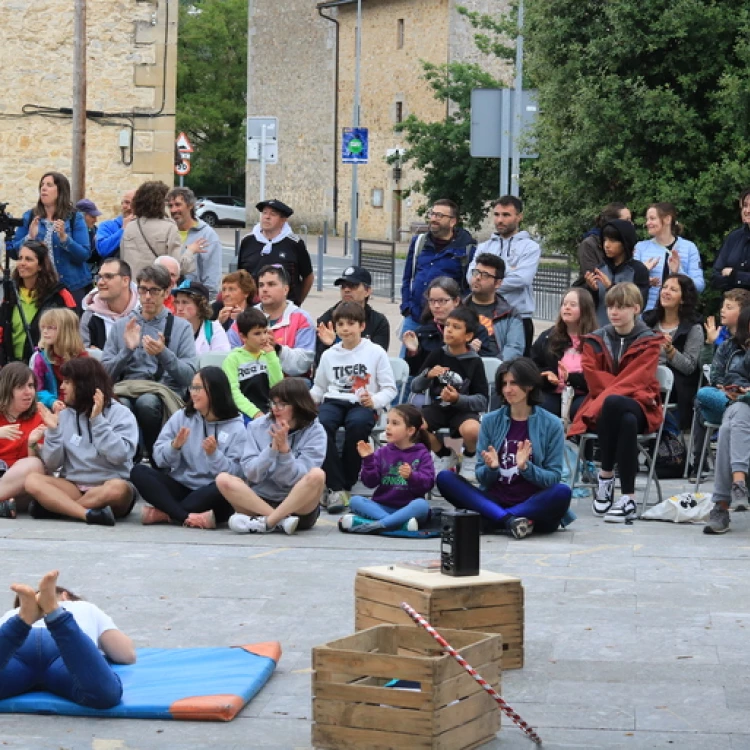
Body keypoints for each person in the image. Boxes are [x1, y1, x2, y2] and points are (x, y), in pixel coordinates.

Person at [435, 358, 572, 539]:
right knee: (445, 478)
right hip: (495, 498)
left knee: (562, 492)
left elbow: (553, 477)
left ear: (529, 385)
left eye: (514, 383)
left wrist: (526, 468)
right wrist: (492, 468)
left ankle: (493, 518)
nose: (507, 389)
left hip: (533, 503)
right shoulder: (490, 421)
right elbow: (480, 475)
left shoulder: (551, 424)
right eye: (504, 383)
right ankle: (509, 520)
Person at [568, 283, 662, 523]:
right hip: (608, 409)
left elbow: (639, 379)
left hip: (640, 404)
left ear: (636, 308)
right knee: (624, 419)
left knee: (617, 405)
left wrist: (614, 394)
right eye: (610, 306)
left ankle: (605, 476)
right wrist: (614, 394)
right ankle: (628, 498)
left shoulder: (649, 342)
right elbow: (593, 378)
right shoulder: (595, 340)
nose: (614, 312)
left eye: (621, 307)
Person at [24, 357, 139, 526]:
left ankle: (60, 508)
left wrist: (98, 421)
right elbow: (53, 464)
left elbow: (119, 456)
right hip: (74, 487)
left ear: (83, 385)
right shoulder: (64, 415)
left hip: (108, 486)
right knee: (32, 480)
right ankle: (88, 514)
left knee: (118, 489)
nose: (62, 387)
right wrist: (54, 432)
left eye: (67, 382)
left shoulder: (121, 413)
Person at [0, 570, 135, 709]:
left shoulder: (10, 614)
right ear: (65, 596)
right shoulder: (83, 607)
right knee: (106, 695)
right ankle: (56, 616)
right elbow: (125, 654)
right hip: (64, 651)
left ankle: (21, 623)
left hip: (18, 646)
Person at [131, 366, 246, 529]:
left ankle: (167, 512)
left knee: (222, 491)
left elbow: (236, 475)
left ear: (214, 391)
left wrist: (214, 455)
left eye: (198, 388)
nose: (193, 392)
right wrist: (174, 447)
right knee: (139, 472)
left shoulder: (236, 428)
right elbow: (158, 458)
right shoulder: (182, 416)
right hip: (182, 486)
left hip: (210, 492)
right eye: (192, 387)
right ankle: (185, 516)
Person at [101, 265, 197, 458]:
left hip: (163, 391)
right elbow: (103, 374)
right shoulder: (122, 325)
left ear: (167, 292)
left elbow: (189, 377)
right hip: (125, 388)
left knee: (147, 403)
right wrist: (126, 351)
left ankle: (156, 456)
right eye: (143, 290)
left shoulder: (181, 327)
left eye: (154, 291)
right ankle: (130, 458)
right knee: (122, 405)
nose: (147, 297)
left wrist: (163, 353)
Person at [310, 302, 397, 513]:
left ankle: (343, 484)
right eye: (340, 324)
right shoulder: (330, 354)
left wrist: (374, 401)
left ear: (362, 326)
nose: (345, 328)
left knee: (357, 424)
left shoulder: (375, 352)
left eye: (351, 323)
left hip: (362, 402)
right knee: (320, 425)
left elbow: (389, 389)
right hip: (333, 400)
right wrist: (304, 404)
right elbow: (319, 388)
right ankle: (336, 487)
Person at [216, 378, 327, 535]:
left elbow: (294, 479)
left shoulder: (315, 432)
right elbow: (251, 474)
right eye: (273, 403)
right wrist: (272, 449)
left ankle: (267, 522)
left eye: (282, 404)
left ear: (298, 405)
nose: (276, 409)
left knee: (317, 475)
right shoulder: (256, 426)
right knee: (223, 479)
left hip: (298, 506)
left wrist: (284, 452)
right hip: (259, 501)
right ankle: (279, 522)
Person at [410, 307, 488, 482]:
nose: (449, 330)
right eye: (447, 326)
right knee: (414, 425)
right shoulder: (437, 354)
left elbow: (482, 400)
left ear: (468, 336)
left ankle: (470, 456)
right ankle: (442, 454)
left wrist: (457, 399)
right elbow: (415, 386)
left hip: (463, 410)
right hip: (438, 407)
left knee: (472, 430)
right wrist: (427, 376)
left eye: (456, 327)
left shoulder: (474, 361)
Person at [338, 404, 433, 534]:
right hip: (382, 507)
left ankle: (375, 525)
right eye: (388, 422)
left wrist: (412, 476)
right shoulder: (382, 452)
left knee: (422, 505)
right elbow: (370, 483)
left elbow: (427, 484)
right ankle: (394, 525)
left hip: (408, 510)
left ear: (410, 431)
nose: (388, 427)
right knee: (355, 501)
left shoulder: (422, 453)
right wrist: (368, 460)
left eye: (395, 423)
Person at [466, 196, 541, 354]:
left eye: (506, 215)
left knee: (514, 369)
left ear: (519, 217)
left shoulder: (530, 247)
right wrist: (510, 270)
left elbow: (522, 279)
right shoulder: (484, 246)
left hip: (518, 317)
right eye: (497, 214)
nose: (500, 220)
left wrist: (486, 283)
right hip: (481, 315)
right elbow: (471, 277)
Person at [9, 172, 92, 307]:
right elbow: (13, 252)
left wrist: (65, 239)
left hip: (71, 286)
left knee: (69, 327)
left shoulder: (74, 218)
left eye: (49, 185)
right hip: (39, 288)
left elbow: (84, 255)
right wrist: (29, 237)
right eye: (42, 185)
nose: (43, 188)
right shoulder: (30, 216)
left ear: (60, 191)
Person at [400, 199, 476, 345]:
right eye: (432, 214)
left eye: (439, 216)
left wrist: (458, 314)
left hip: (445, 322)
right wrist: (406, 307)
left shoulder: (466, 249)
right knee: (407, 362)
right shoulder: (419, 242)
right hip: (414, 317)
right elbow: (407, 277)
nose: (434, 219)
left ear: (453, 221)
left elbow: (468, 287)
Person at [0, 240, 77, 364]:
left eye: (29, 259)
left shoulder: (59, 294)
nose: (22, 263)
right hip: (11, 366)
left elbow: (71, 331)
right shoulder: (11, 292)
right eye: (20, 258)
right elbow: (2, 329)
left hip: (45, 365)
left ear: (41, 266)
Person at [642, 274, 703, 430]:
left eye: (673, 289)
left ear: (683, 299)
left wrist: (670, 351)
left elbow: (689, 367)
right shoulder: (648, 321)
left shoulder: (693, 327)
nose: (666, 292)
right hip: (644, 381)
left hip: (673, 388)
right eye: (665, 287)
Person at [402, 277, 491, 376]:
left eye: (442, 301)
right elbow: (415, 372)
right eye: (432, 301)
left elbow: (485, 368)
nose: (436, 306)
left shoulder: (475, 330)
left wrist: (470, 352)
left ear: (456, 301)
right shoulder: (422, 332)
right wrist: (413, 352)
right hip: (431, 388)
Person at [531, 287, 597, 419]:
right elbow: (532, 364)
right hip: (553, 392)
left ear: (585, 310)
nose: (566, 308)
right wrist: (546, 375)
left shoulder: (595, 340)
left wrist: (571, 378)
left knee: (581, 410)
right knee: (541, 408)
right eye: (564, 304)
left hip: (583, 393)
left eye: (573, 305)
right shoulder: (548, 337)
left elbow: (597, 377)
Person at [237, 199, 313, 306]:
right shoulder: (248, 241)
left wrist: (297, 302)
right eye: (264, 213)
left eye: (273, 214)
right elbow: (241, 276)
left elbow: (308, 276)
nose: (267, 217)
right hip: (252, 308)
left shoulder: (294, 243)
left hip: (285, 307)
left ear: (283, 220)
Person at [242, 265, 315, 377]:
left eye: (271, 284)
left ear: (286, 289)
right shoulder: (246, 316)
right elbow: (230, 352)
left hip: (289, 385)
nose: (264, 289)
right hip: (251, 381)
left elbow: (303, 364)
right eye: (261, 285)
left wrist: (277, 349)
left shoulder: (302, 319)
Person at [634, 202, 705, 310]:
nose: (648, 223)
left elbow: (699, 286)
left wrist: (678, 271)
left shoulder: (689, 247)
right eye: (647, 219)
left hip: (679, 315)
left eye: (652, 218)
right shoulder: (641, 248)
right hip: (646, 315)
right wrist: (643, 275)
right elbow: (628, 283)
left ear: (667, 219)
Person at [120, 181, 195, 281]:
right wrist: (191, 251)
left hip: (133, 287)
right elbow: (177, 266)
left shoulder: (130, 226)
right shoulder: (169, 227)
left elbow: (123, 259)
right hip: (157, 288)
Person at [580, 219, 650, 326]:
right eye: (605, 240)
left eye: (612, 240)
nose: (607, 245)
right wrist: (591, 290)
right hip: (600, 332)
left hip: (628, 333)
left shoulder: (638, 270)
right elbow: (590, 307)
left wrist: (611, 288)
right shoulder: (600, 269)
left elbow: (640, 304)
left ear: (625, 242)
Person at [315, 266, 390, 366]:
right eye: (343, 286)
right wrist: (329, 345)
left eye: (353, 286)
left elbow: (377, 361)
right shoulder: (326, 320)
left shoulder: (379, 322)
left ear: (367, 291)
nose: (346, 290)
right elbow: (319, 363)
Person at [0, 364, 46, 519]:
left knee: (34, 464)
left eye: (31, 386)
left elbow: (38, 468)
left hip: (17, 485)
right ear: (7, 389)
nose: (28, 392)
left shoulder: (39, 416)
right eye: (21, 387)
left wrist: (32, 444)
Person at [222, 308, 283, 421]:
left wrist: (272, 356)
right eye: (257, 333)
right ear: (243, 336)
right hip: (243, 413)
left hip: (269, 411)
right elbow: (233, 392)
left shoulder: (268, 355)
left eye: (265, 332)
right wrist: (254, 413)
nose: (263, 337)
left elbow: (277, 386)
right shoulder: (233, 359)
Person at [463, 253, 525, 360]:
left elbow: (514, 349)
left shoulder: (510, 314)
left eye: (485, 275)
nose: (477, 278)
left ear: (498, 283)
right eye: (476, 272)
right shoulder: (458, 308)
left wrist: (495, 368)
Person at [167, 187, 222, 297]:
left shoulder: (207, 235)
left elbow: (212, 278)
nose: (173, 210)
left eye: (178, 205)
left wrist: (205, 303)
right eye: (170, 206)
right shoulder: (167, 232)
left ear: (190, 205)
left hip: (194, 302)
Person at [30, 308, 88, 409]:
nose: (45, 331)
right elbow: (36, 389)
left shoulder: (83, 358)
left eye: (51, 327)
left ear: (67, 331)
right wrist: (52, 401)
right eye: (43, 327)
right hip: (50, 408)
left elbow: (88, 388)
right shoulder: (40, 357)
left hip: (78, 407)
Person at [79, 258, 139, 350]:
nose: (100, 282)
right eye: (99, 277)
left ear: (125, 281)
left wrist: (100, 356)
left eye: (108, 276)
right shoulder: (90, 316)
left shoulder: (145, 311)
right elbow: (84, 358)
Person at [575, 202, 632, 285]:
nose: (631, 224)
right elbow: (594, 279)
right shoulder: (589, 244)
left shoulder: (627, 244)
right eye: (627, 220)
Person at [173, 280, 230, 355]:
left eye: (185, 302)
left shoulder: (214, 329)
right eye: (177, 302)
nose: (179, 308)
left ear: (200, 305)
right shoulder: (170, 329)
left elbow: (221, 360)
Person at [712, 188, 750, 293]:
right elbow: (716, 276)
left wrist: (734, 275)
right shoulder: (734, 237)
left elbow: (731, 274)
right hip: (732, 304)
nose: (747, 211)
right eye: (745, 206)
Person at [95, 189, 136, 260]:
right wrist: (123, 229)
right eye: (126, 202)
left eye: (134, 204)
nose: (129, 207)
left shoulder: (143, 228)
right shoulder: (107, 226)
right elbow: (103, 250)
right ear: (121, 204)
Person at [75, 198, 102, 274]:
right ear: (81, 216)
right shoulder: (71, 233)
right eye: (93, 216)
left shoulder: (95, 230)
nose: (96, 220)